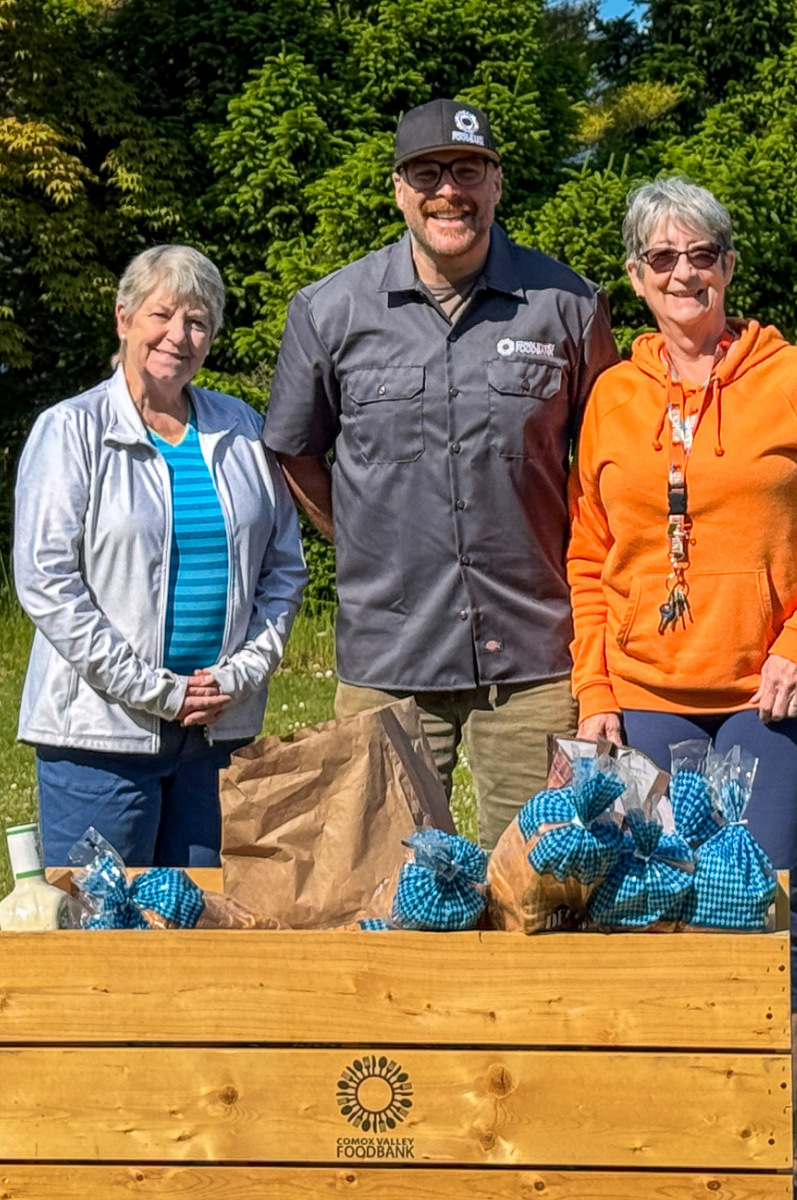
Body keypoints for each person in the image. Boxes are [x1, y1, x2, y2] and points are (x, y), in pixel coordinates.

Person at [565, 178, 797, 1200]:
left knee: (759, 907)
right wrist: (596, 689)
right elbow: (588, 552)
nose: (683, 274)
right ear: (635, 278)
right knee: (656, 909)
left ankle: (773, 1156)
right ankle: (686, 1140)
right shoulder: (612, 398)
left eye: (701, 253)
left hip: (775, 696)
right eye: (660, 260)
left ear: (730, 264)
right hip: (650, 694)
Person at [263, 99, 620, 848]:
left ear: (497, 183)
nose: (448, 190)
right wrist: (360, 539)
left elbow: (612, 465)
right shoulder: (329, 311)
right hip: (388, 662)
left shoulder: (570, 306)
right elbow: (295, 450)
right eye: (428, 171)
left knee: (538, 892)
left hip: (534, 664)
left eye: (468, 170)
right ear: (399, 188)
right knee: (388, 894)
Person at [13, 244, 307, 868]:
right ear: (123, 318)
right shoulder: (70, 431)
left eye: (198, 322)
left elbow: (284, 573)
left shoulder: (244, 431)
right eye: (162, 314)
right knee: (102, 936)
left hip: (215, 737)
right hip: (99, 737)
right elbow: (48, 584)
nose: (179, 335)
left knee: (210, 931)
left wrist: (238, 676)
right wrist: (156, 691)